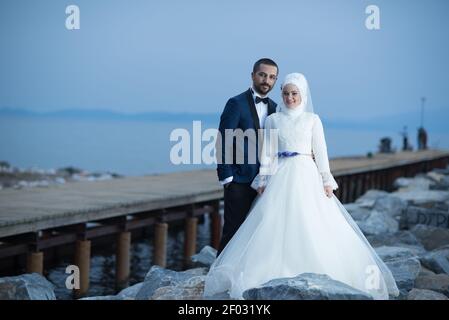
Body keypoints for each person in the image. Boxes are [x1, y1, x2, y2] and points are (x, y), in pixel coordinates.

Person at [205, 73, 399, 300]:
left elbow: (321, 152)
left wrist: (327, 180)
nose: (289, 98)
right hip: (280, 174)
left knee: (311, 218)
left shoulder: (313, 120)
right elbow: (267, 153)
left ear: (302, 94)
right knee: (272, 219)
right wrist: (263, 179)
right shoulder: (273, 120)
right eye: (285, 93)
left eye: (294, 93)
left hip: (307, 172)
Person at [216, 58, 278, 256]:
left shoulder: (276, 108)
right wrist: (227, 177)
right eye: (262, 75)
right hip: (240, 180)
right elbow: (223, 139)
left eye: (271, 77)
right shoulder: (236, 103)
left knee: (259, 232)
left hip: (266, 182)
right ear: (253, 75)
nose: (266, 80)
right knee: (233, 231)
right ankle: (218, 276)